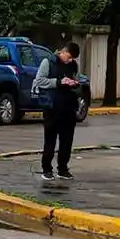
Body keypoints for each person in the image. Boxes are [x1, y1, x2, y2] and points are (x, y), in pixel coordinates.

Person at [34, 41, 81, 181]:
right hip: (52, 107)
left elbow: (77, 80)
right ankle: (47, 168)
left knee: (67, 140)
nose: (70, 60)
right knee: (50, 139)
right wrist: (59, 82)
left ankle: (63, 168)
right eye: (70, 56)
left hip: (69, 107)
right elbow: (39, 81)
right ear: (63, 52)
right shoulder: (48, 62)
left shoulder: (73, 66)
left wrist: (74, 83)